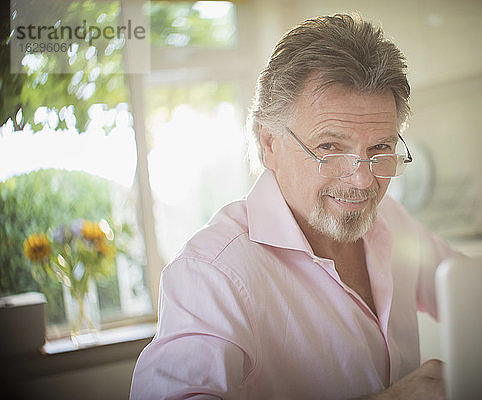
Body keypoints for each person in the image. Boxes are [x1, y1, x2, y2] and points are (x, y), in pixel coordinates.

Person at [130, 13, 459, 400]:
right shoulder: (211, 273)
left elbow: (472, 292)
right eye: (329, 147)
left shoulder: (391, 220)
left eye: (380, 148)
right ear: (269, 143)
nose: (364, 180)